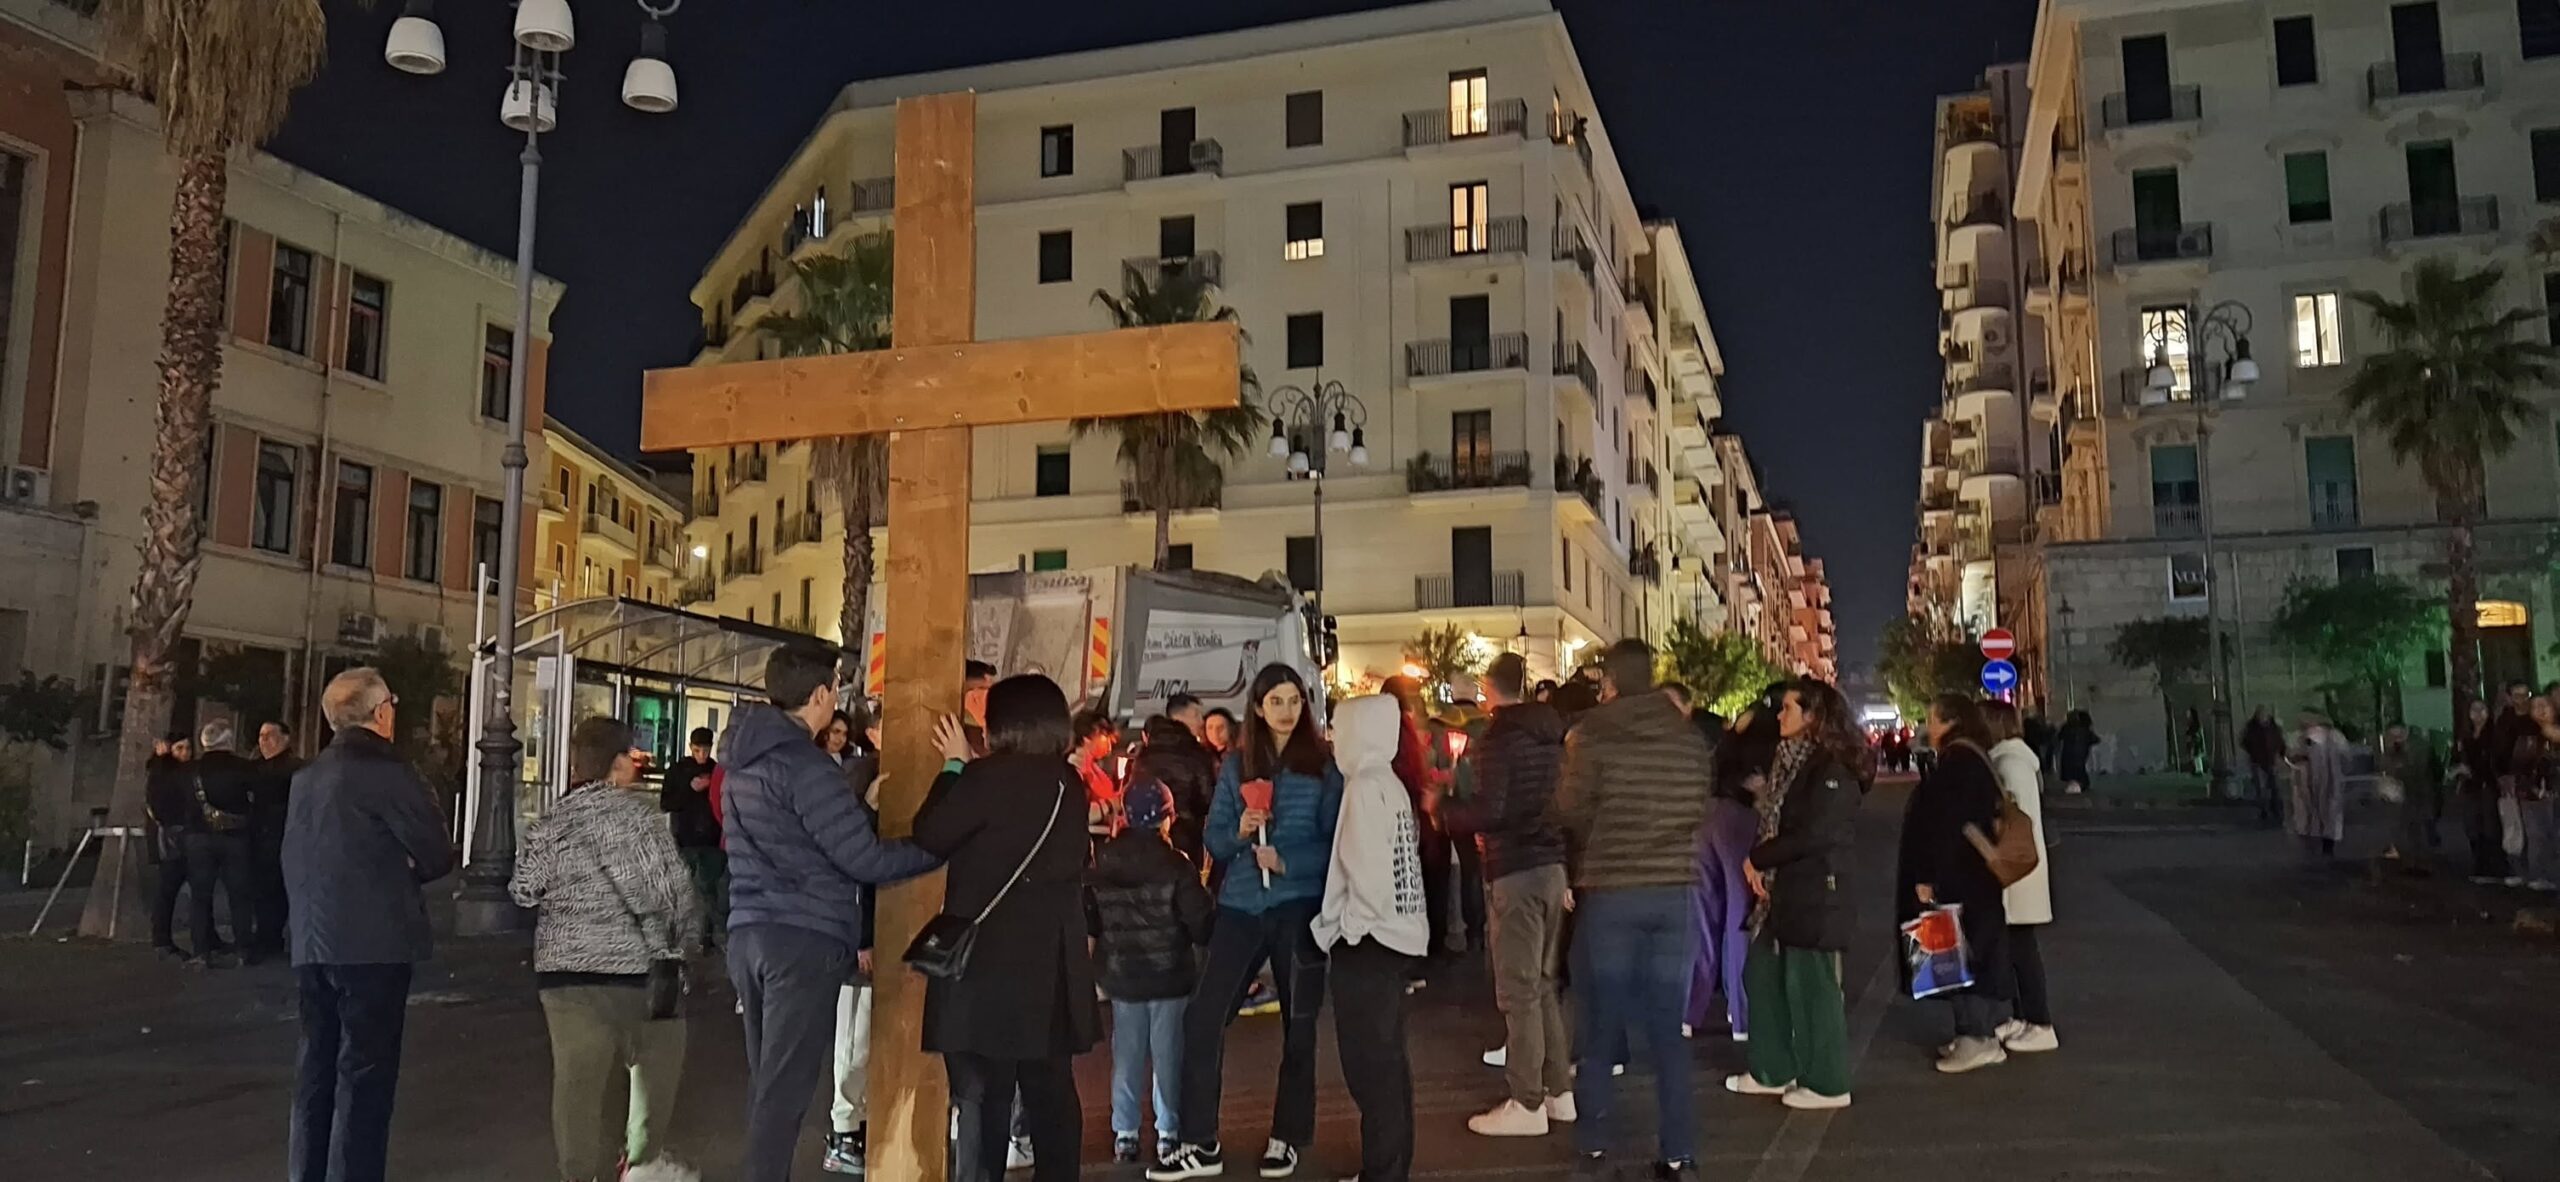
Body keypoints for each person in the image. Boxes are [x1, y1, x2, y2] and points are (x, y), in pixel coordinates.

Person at [723, 646, 941, 1182]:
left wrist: (859, 810)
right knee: (785, 1090)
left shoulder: (743, 759)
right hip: (801, 938)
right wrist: (938, 847)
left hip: (749, 932)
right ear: (821, 696)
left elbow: (787, 839)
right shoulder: (805, 764)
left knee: (768, 1083)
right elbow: (863, 860)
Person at [1151, 664, 1343, 1182]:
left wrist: (1287, 861)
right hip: (1240, 904)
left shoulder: (1324, 768)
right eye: (1276, 701)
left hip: (1299, 905)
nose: (1287, 711)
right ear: (1257, 708)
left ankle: (1288, 1136)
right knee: (1204, 1016)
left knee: (1298, 1023)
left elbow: (1335, 845)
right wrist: (1239, 830)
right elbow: (1213, 841)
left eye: (1294, 701)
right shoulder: (1236, 766)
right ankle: (1199, 1141)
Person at [913, 677, 1100, 1182]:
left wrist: (955, 765)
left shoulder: (983, 778)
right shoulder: (1069, 784)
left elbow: (930, 834)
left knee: (982, 1099)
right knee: (1052, 1092)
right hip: (1051, 965)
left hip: (985, 965)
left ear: (1000, 724)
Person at [285, 667, 455, 1182]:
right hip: (373, 940)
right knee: (365, 1078)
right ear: (381, 713)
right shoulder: (387, 773)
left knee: (315, 1071)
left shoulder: (306, 776)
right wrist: (402, 866)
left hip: (313, 938)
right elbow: (435, 851)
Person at [1555, 639, 1715, 1180]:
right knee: (1668, 1031)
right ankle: (1678, 1152)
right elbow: (1699, 806)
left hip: (1613, 892)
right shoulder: (1689, 740)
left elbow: (1570, 811)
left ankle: (1595, 1144)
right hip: (1675, 892)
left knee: (1600, 1023)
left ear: (1612, 681)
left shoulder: (1593, 733)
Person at [511, 717, 697, 1182]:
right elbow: (672, 894)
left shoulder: (553, 819)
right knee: (646, 1070)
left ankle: (579, 1174)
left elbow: (523, 890)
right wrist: (681, 947)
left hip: (564, 976)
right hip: (635, 971)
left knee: (578, 1083)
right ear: (617, 764)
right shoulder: (641, 820)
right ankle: (638, 1162)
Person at [1441, 652, 1574, 1137]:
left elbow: (1492, 809)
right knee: (1542, 986)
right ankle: (1559, 1092)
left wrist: (1447, 810)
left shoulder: (1499, 736)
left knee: (1518, 991)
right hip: (1552, 865)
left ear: (1488, 686)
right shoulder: (1555, 733)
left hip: (1515, 867)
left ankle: (1526, 1102)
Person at [1723, 678, 1864, 1109]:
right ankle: (1772, 1069)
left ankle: (1827, 1082)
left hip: (1814, 887)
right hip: (1781, 890)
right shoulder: (1788, 761)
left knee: (1813, 985)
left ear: (1813, 717)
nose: (1779, 715)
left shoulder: (1831, 769)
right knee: (1762, 974)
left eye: (1788, 708)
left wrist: (1759, 858)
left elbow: (1815, 832)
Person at [1311, 695, 1431, 1182]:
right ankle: (1391, 1165)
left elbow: (1369, 876)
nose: (1335, 737)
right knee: (1390, 1063)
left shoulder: (1362, 788)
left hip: (1369, 942)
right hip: (1398, 938)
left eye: (1340, 727)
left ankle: (1382, 1171)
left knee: (1369, 1067)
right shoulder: (1390, 783)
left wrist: (1350, 929)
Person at [1089, 783, 1214, 1167]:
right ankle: (1168, 1132)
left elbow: (1091, 917)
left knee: (1126, 1054)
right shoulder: (1176, 865)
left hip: (1121, 975)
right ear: (1168, 816)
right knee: (1167, 1054)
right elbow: (1200, 924)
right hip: (1169, 976)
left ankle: (1125, 1134)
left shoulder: (1103, 860)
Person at [1897, 692, 2011, 1075]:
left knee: (1961, 953)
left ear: (1949, 721)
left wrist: (1929, 877)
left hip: (1961, 878)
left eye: (1932, 718)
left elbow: (1945, 826)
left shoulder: (1958, 762)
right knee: (1964, 951)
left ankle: (1977, 1037)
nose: (1927, 727)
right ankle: (1976, 1034)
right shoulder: (1969, 757)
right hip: (1973, 876)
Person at [1693, 685, 1786, 1045]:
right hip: (1742, 821)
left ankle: (1692, 1010)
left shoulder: (1734, 734)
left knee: (1704, 917)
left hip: (1709, 818)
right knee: (1743, 915)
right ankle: (1744, 1013)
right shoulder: (1772, 736)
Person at [1981, 700, 2058, 1055]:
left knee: (2022, 950)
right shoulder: (2011, 759)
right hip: (2018, 869)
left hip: (2016, 869)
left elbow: (2013, 816)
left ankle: (2040, 1022)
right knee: (2013, 948)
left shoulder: (2009, 764)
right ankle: (2022, 1016)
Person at [181, 720, 260, 969]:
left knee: (200, 897)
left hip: (198, 837)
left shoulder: (190, 770)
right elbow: (256, 800)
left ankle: (202, 951)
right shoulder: (243, 767)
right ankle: (243, 949)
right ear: (228, 741)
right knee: (239, 895)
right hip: (235, 837)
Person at [661, 726, 725, 953]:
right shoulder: (678, 771)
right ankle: (674, 936)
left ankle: (706, 938)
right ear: (690, 748)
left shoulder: (717, 770)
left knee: (709, 890)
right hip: (685, 837)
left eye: (706, 751)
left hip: (711, 839)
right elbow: (666, 803)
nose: (702, 756)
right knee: (681, 889)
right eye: (698, 750)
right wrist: (690, 790)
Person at [1133, 714, 1218, 866]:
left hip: (1151, 831)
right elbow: (1207, 797)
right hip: (1188, 830)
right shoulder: (1196, 753)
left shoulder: (1144, 757)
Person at [251, 721, 304, 959]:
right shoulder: (253, 769)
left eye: (270, 736)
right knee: (263, 891)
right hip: (259, 838)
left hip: (286, 836)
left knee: (282, 890)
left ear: (285, 738)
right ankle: (266, 937)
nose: (264, 741)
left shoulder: (296, 769)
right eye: (261, 736)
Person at [145, 733, 195, 959]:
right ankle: (161, 939)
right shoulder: (163, 774)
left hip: (181, 836)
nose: (185, 753)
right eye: (180, 748)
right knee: (168, 889)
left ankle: (166, 939)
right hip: (173, 838)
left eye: (188, 748)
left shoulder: (176, 773)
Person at [2456, 699, 2513, 884]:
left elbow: (2498, 760)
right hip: (2470, 787)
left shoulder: (2494, 735)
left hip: (2487, 785)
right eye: (2474, 709)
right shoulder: (2465, 737)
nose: (2478, 714)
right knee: (2473, 826)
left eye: (2482, 709)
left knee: (2491, 826)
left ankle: (2495, 867)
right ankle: (2480, 866)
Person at [2511, 700, 2560, 890]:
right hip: (2535, 795)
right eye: (2536, 707)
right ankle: (2540, 875)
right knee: (2538, 835)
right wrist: (2532, 788)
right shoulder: (2528, 737)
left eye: (2544, 705)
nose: (2540, 710)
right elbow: (2519, 766)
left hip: (2554, 793)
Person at [2379, 723, 2442, 866]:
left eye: (2398, 735)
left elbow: (2418, 770)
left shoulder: (2417, 749)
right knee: (2413, 823)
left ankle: (2420, 855)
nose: (2396, 739)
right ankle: (2416, 854)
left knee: (2418, 822)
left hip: (2419, 790)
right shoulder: (2399, 749)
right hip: (2413, 792)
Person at [2289, 711, 2351, 859]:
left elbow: (2345, 756)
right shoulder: (2298, 737)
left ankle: (2327, 845)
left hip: (2330, 779)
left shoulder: (2334, 736)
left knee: (2329, 810)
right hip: (2307, 780)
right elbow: (2289, 757)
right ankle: (2313, 842)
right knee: (2309, 812)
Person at [2241, 707, 2286, 827]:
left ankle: (2276, 811)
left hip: (2271, 760)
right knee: (2261, 789)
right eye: (2260, 716)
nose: (2262, 718)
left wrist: (2282, 754)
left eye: (2264, 715)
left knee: (2274, 787)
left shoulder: (2273, 727)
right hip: (2258, 761)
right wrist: (2253, 752)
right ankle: (2265, 811)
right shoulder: (2252, 728)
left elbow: (2280, 741)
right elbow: (2245, 741)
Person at [2055, 710, 2096, 795]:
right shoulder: (2083, 729)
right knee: (2080, 769)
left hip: (2068, 753)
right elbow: (2094, 739)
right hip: (2081, 753)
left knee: (2072, 770)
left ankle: (2076, 785)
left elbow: (2058, 737)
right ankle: (2081, 785)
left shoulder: (2066, 728)